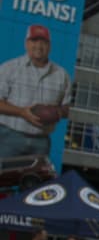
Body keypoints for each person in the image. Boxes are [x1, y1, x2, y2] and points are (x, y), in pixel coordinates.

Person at [0, 24, 72, 159]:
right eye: (34, 41)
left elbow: (68, 107)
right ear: (26, 43)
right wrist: (21, 112)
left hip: (41, 142)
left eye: (43, 42)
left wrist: (58, 112)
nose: (39, 46)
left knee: (33, 179)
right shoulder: (9, 68)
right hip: (8, 137)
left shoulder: (62, 75)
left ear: (49, 46)